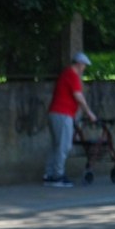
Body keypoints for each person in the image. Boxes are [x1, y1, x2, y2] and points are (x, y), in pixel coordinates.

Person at [43, 52, 98, 187]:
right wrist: (89, 113)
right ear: (79, 64)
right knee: (64, 146)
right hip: (63, 114)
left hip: (55, 113)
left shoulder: (66, 74)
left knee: (56, 145)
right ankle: (58, 176)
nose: (84, 68)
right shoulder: (72, 75)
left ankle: (49, 175)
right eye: (84, 65)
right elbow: (78, 96)